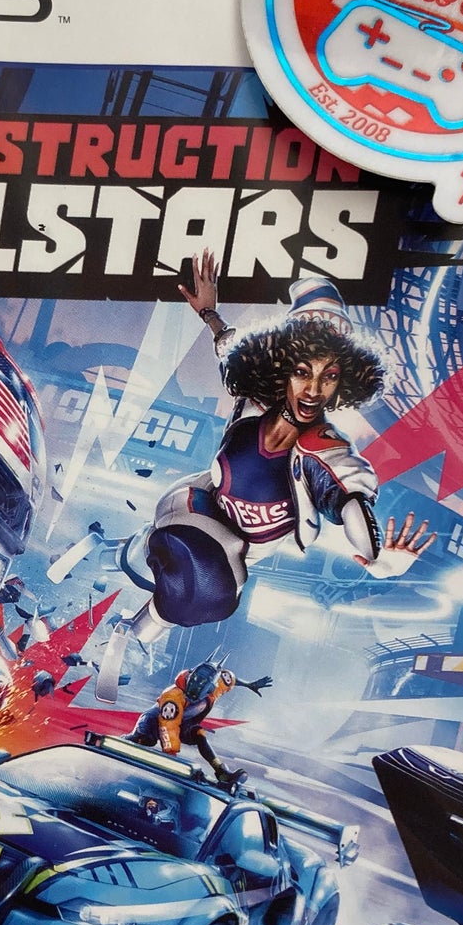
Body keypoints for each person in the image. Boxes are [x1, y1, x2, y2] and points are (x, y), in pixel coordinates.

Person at [97, 254, 433, 697]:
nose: (313, 390)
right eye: (302, 371)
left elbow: (349, 490)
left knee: (212, 590)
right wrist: (209, 311)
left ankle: (132, 614)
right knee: (206, 576)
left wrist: (377, 561)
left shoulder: (324, 446)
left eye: (329, 376)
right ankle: (137, 584)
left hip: (243, 551)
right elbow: (228, 345)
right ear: (281, 367)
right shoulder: (252, 393)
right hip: (199, 503)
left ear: (344, 380)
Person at [128, 657, 273, 790]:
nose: (194, 690)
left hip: (182, 723)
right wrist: (172, 761)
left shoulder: (218, 684)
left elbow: (230, 678)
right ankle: (130, 743)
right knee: (144, 741)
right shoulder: (172, 697)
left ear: (211, 687)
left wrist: (249, 685)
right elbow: (168, 728)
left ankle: (221, 772)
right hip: (152, 724)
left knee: (199, 735)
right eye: (194, 681)